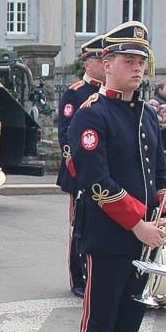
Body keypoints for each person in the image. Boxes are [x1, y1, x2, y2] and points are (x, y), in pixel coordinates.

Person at [68, 21, 166, 332]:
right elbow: (96, 181)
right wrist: (137, 223)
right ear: (106, 63)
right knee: (102, 316)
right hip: (109, 235)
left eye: (140, 61)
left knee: (129, 315)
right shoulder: (91, 115)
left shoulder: (145, 114)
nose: (137, 68)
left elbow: (160, 173)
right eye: (128, 60)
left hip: (143, 235)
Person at [56, 34, 107, 297]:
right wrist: (78, 172)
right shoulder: (76, 93)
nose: (104, 63)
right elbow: (66, 137)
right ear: (87, 62)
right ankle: (78, 278)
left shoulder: (108, 94)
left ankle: (96, 274)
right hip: (79, 174)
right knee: (79, 227)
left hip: (102, 174)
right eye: (99, 58)